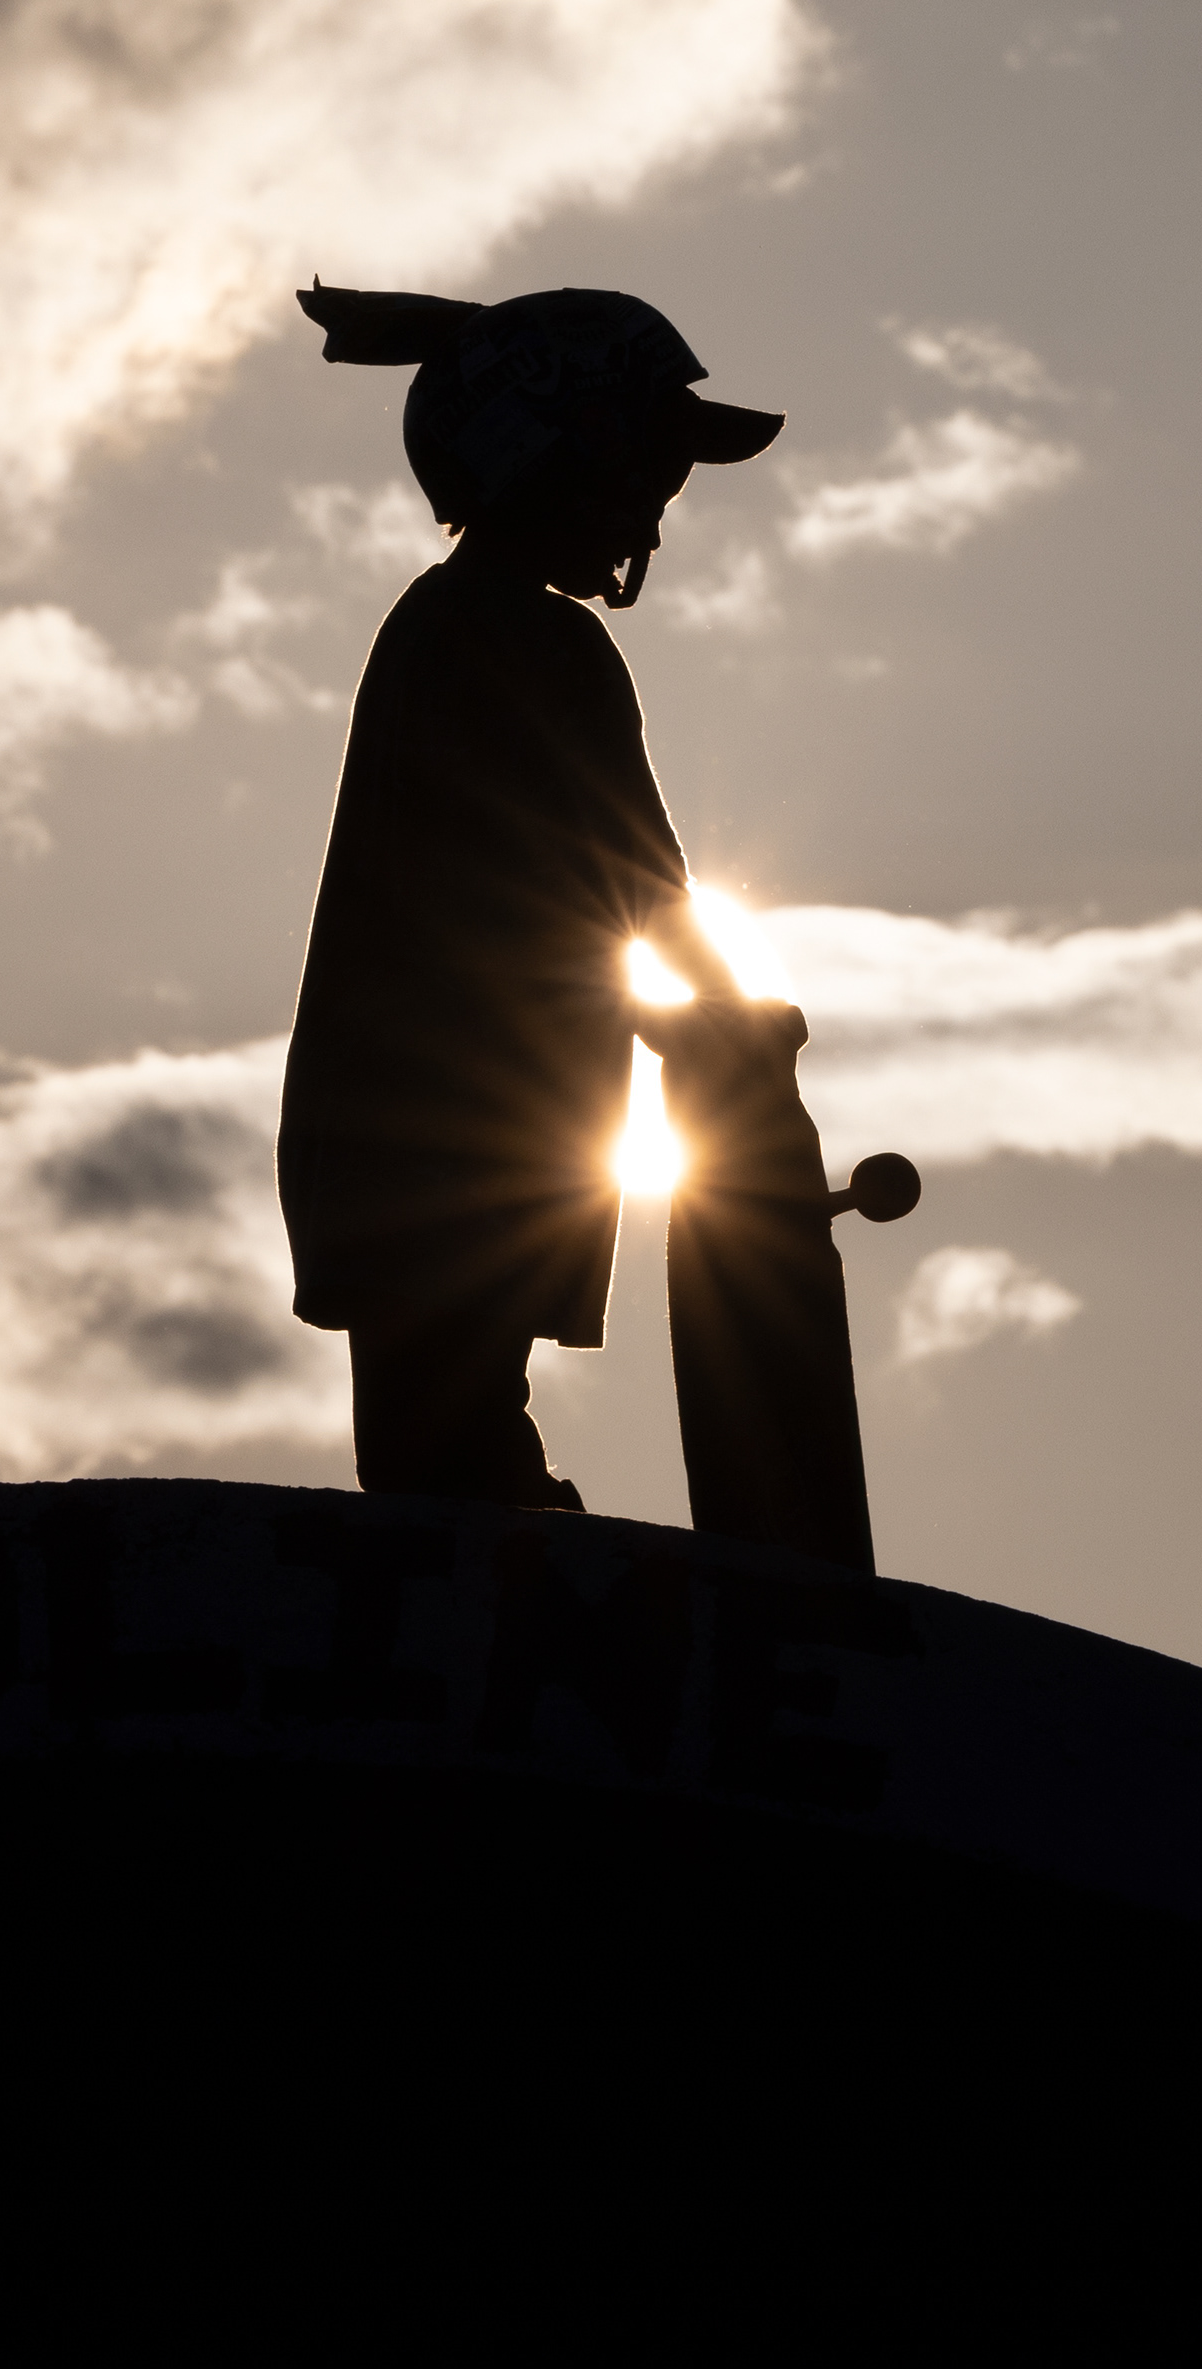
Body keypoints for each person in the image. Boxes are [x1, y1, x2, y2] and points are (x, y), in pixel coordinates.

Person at [276, 281, 781, 1508]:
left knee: (439, 1434)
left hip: (406, 1144)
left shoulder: (443, 626)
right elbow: (642, 881)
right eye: (639, 474)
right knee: (455, 1458)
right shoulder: (529, 643)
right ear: (549, 456)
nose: (653, 511)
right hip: (460, 1143)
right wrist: (739, 1035)